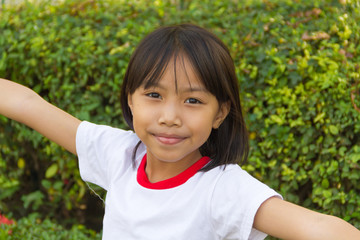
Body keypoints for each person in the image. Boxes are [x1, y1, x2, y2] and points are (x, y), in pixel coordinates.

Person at [0, 24, 359, 240]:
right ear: (130, 99)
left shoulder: (222, 188)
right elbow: (29, 105)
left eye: (192, 101)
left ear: (220, 114)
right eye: (154, 95)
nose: (169, 117)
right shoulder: (119, 154)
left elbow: (325, 230)